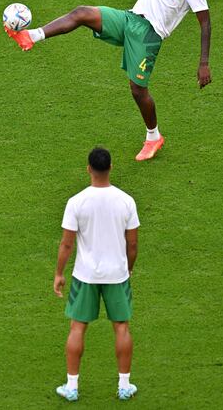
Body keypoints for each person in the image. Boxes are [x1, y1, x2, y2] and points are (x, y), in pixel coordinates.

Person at [6, 0, 212, 162]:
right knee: (82, 13)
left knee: (137, 89)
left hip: (148, 36)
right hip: (129, 19)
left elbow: (205, 23)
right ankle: (31, 37)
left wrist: (203, 63)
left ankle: (153, 137)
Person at [53, 147, 140, 401]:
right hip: (117, 274)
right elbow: (132, 244)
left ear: (88, 169)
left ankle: (72, 386)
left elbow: (67, 244)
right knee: (122, 327)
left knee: (77, 327)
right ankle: (124, 385)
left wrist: (59, 273)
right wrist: (129, 267)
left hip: (85, 275)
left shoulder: (76, 202)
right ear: (111, 167)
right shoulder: (126, 201)